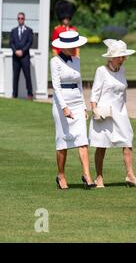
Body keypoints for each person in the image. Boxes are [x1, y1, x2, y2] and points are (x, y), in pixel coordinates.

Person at [89, 39, 136, 188]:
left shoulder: (122, 70)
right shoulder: (101, 71)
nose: (123, 60)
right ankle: (99, 177)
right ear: (112, 58)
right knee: (102, 144)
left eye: (123, 57)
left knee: (127, 140)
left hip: (120, 112)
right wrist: (94, 110)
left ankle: (130, 175)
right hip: (104, 113)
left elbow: (122, 92)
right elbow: (94, 93)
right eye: (120, 57)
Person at [50, 30, 96, 189]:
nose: (75, 48)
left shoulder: (76, 60)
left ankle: (87, 176)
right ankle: (61, 175)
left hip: (77, 102)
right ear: (64, 47)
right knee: (63, 142)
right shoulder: (55, 61)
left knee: (83, 140)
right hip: (62, 103)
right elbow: (56, 87)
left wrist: (83, 107)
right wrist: (64, 108)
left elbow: (79, 84)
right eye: (72, 46)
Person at [9, 12, 34, 99]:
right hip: (15, 57)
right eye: (19, 18)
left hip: (25, 57)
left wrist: (22, 51)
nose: (20, 20)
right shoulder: (13, 31)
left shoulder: (29, 30)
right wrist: (15, 51)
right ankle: (14, 94)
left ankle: (30, 94)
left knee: (27, 76)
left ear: (24, 19)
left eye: (22, 18)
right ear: (17, 19)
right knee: (15, 76)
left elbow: (30, 42)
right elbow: (11, 43)